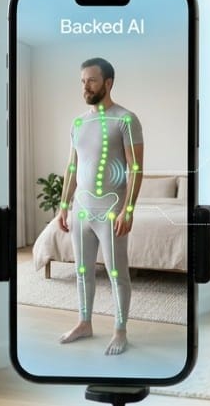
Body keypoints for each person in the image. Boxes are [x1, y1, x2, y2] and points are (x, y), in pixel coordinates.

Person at [57, 57, 145, 356]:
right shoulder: (78, 123)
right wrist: (63, 205)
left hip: (111, 211)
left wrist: (128, 210)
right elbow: (72, 166)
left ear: (108, 83)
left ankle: (120, 330)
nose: (85, 86)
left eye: (91, 81)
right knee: (82, 271)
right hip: (81, 210)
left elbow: (135, 168)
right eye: (83, 81)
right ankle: (84, 323)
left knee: (117, 273)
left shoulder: (126, 120)